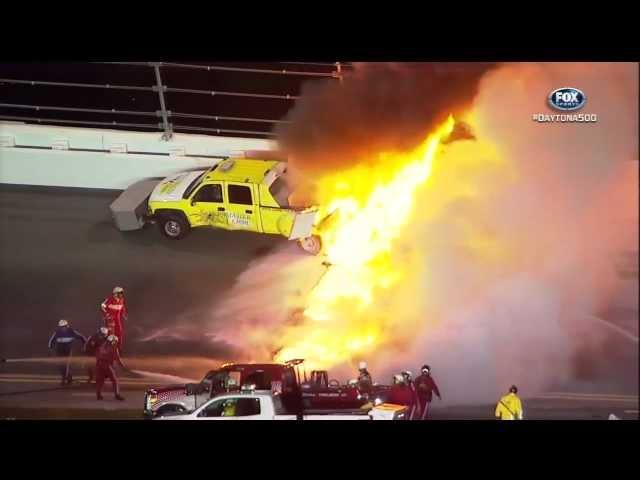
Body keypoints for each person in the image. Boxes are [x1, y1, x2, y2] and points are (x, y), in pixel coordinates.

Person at [48, 319, 86, 386]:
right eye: (62, 327)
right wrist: (50, 348)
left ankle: (65, 379)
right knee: (62, 365)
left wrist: (85, 345)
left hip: (67, 351)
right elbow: (51, 341)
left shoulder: (70, 331)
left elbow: (82, 337)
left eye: (64, 327)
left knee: (66, 365)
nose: (63, 328)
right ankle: (68, 378)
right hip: (60, 351)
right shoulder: (58, 332)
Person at [95, 334, 126, 401]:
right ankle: (117, 395)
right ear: (113, 341)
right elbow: (118, 360)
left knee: (101, 381)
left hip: (99, 365)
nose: (116, 343)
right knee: (114, 380)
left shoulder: (102, 346)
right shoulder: (114, 348)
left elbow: (97, 356)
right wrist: (123, 367)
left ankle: (98, 395)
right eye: (115, 342)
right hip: (106, 365)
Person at [100, 286, 127, 351]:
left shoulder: (121, 300)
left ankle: (118, 348)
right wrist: (106, 315)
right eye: (120, 293)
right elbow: (102, 307)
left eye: (121, 293)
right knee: (109, 333)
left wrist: (124, 314)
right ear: (115, 293)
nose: (121, 294)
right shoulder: (109, 299)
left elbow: (122, 307)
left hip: (117, 319)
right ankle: (107, 348)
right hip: (110, 319)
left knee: (119, 332)